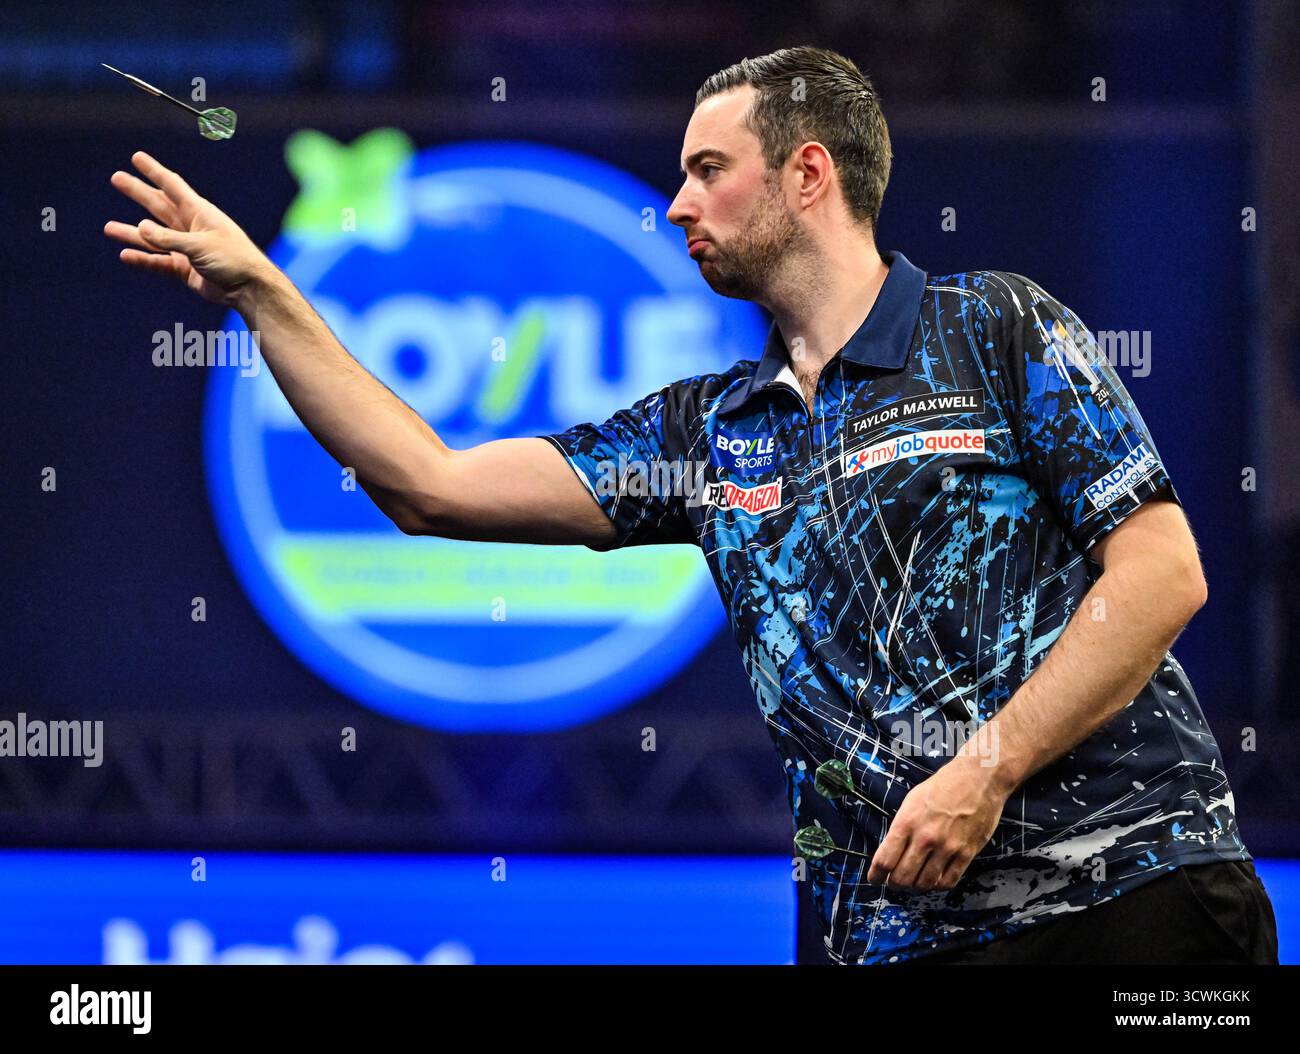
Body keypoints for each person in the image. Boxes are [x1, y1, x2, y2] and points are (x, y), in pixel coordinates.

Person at [103, 45, 1278, 966]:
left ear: (808, 172)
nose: (674, 204)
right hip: (881, 935)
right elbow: (430, 485)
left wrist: (984, 770)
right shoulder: (703, 432)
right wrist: (262, 290)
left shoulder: (994, 326)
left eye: (707, 169)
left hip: (1134, 898)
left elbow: (1163, 573)